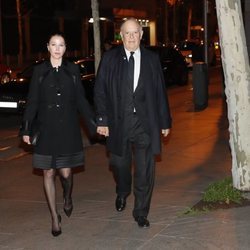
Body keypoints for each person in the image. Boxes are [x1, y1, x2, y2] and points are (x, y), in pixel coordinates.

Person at [94, 18, 172, 228]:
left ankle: (141, 212)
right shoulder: (110, 59)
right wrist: (102, 119)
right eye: (126, 33)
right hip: (119, 123)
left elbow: (159, 92)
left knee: (145, 170)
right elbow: (100, 90)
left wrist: (165, 121)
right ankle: (122, 190)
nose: (131, 37)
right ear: (121, 36)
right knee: (119, 165)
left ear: (141, 34)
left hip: (145, 123)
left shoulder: (151, 59)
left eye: (134, 32)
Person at [20, 32, 96, 237]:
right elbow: (33, 101)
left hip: (68, 129)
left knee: (65, 173)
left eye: (61, 44)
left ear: (65, 48)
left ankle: (68, 197)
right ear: (48, 47)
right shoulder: (39, 71)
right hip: (46, 129)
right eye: (53, 44)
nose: (57, 48)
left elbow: (81, 100)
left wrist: (94, 124)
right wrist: (26, 128)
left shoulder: (72, 70)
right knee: (48, 172)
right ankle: (54, 217)